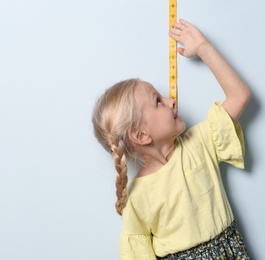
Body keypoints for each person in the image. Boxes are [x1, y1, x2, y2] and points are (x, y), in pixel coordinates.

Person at [92, 19, 252, 259]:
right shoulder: (137, 197)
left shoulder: (199, 143)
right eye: (158, 101)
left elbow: (239, 95)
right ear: (141, 135)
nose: (171, 101)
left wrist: (203, 48)